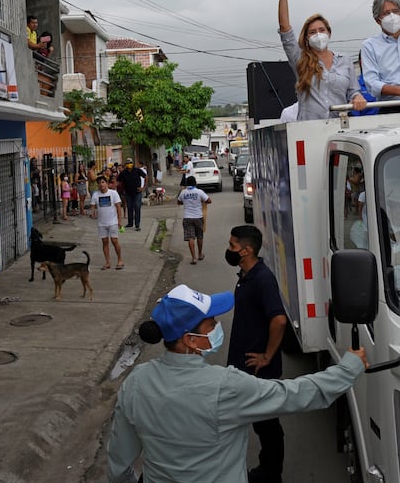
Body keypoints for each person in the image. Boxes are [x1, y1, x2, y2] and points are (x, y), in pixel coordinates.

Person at [106, 284, 368, 483]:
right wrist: (349, 368)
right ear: (191, 340)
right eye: (211, 323)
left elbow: (119, 459)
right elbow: (297, 394)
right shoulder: (225, 387)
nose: (218, 326)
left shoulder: (136, 382)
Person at [223, 225, 290, 482]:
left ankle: (271, 474)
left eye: (232, 246)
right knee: (257, 423)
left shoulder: (262, 278)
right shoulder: (247, 274)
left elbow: (279, 320)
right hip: (244, 366)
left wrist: (267, 356)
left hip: (260, 369)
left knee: (267, 425)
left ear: (246, 249)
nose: (229, 250)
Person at [266, 0, 364, 120]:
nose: (318, 34)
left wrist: (357, 97)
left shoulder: (345, 60)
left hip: (339, 128)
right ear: (306, 38)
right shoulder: (300, 59)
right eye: (312, 32)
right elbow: (285, 29)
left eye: (322, 30)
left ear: (329, 33)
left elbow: (353, 91)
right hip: (309, 130)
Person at [89, 177, 125, 270]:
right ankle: (107, 262)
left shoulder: (113, 193)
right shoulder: (96, 195)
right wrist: (92, 213)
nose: (102, 185)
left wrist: (119, 221)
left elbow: (118, 207)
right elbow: (92, 206)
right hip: (102, 223)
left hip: (113, 222)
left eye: (103, 182)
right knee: (105, 242)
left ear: (107, 183)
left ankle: (120, 260)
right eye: (99, 183)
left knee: (114, 241)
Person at [177, 177, 211, 265]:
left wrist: (186, 202)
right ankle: (200, 254)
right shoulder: (199, 192)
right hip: (198, 217)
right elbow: (209, 200)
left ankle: (193, 258)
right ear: (195, 183)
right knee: (199, 236)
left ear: (187, 184)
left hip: (187, 217)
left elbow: (179, 202)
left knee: (190, 238)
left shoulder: (183, 192)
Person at [117, 158, 146, 231]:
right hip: (128, 193)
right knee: (129, 207)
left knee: (137, 207)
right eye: (127, 163)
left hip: (137, 192)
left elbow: (146, 177)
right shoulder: (123, 173)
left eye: (130, 163)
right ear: (126, 165)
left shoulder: (137, 170)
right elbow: (118, 181)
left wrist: (143, 188)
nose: (129, 164)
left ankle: (137, 224)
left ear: (132, 163)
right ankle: (130, 223)